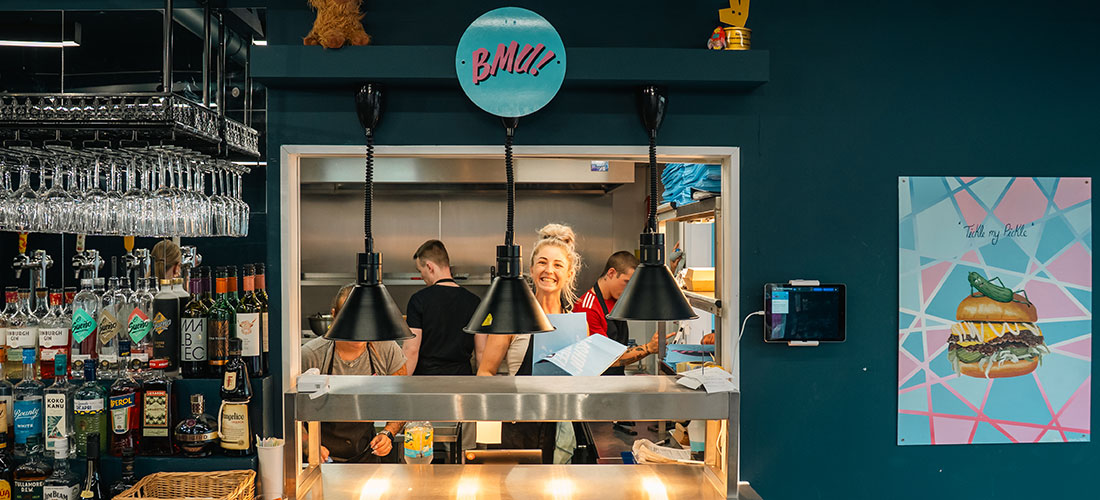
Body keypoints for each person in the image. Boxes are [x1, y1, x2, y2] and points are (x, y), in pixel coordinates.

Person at [477, 224, 581, 464]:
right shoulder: (512, 318)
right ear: (531, 269)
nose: (549, 271)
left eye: (558, 265)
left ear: (570, 274)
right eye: (542, 263)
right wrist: (504, 406)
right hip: (516, 428)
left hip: (557, 429)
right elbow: (485, 372)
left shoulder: (573, 323)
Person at [300, 284, 408, 463]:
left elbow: (401, 401)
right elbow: (290, 412)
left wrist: (388, 433)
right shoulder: (311, 355)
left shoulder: (387, 350)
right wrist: (307, 444)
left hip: (366, 455)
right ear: (334, 315)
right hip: (320, 459)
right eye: (352, 322)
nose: (360, 331)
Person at [573, 251, 669, 376]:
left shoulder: (617, 299)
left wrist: (671, 270)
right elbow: (606, 358)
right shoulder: (588, 308)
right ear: (611, 273)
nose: (629, 289)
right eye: (627, 282)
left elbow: (652, 296)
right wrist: (649, 348)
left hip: (616, 379)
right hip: (596, 384)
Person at [404, 240, 482, 375]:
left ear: (429, 267)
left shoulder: (419, 300)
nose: (422, 276)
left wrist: (399, 386)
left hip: (426, 382)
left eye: (420, 271)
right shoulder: (474, 302)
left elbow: (411, 350)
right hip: (462, 381)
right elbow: (481, 352)